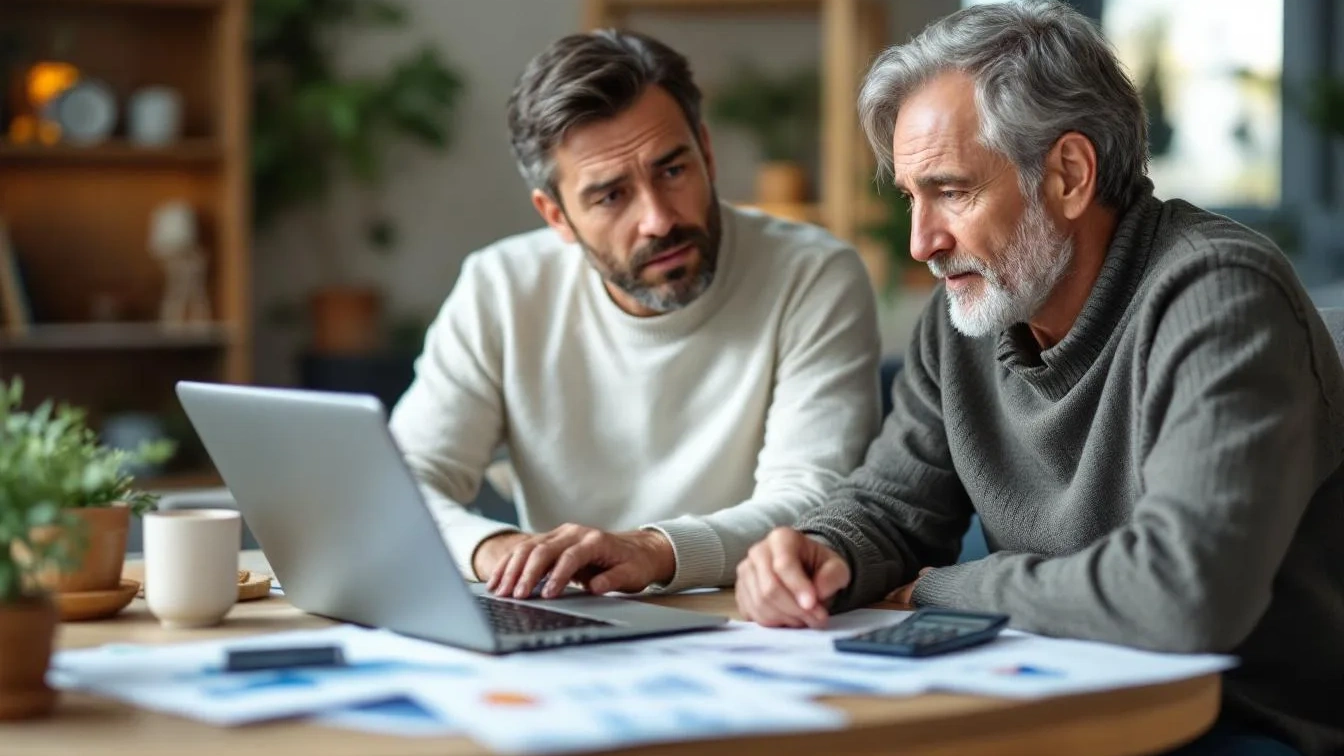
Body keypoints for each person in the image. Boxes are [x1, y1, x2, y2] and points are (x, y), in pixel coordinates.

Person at [733, 3, 1344, 754]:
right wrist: (821, 551)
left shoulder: (1221, 296)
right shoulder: (969, 315)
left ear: (1069, 175)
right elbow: (891, 509)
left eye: (951, 191)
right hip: (1053, 702)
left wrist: (943, 590)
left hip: (1237, 727)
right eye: (909, 195)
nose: (922, 240)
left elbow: (1182, 596)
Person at [389, 30, 880, 602]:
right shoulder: (500, 287)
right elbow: (401, 482)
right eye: (611, 196)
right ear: (556, 216)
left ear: (706, 151)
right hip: (567, 616)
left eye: (673, 171)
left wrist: (653, 550)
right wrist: (494, 549)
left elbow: (812, 499)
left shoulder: (813, 275)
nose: (658, 220)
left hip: (746, 618)